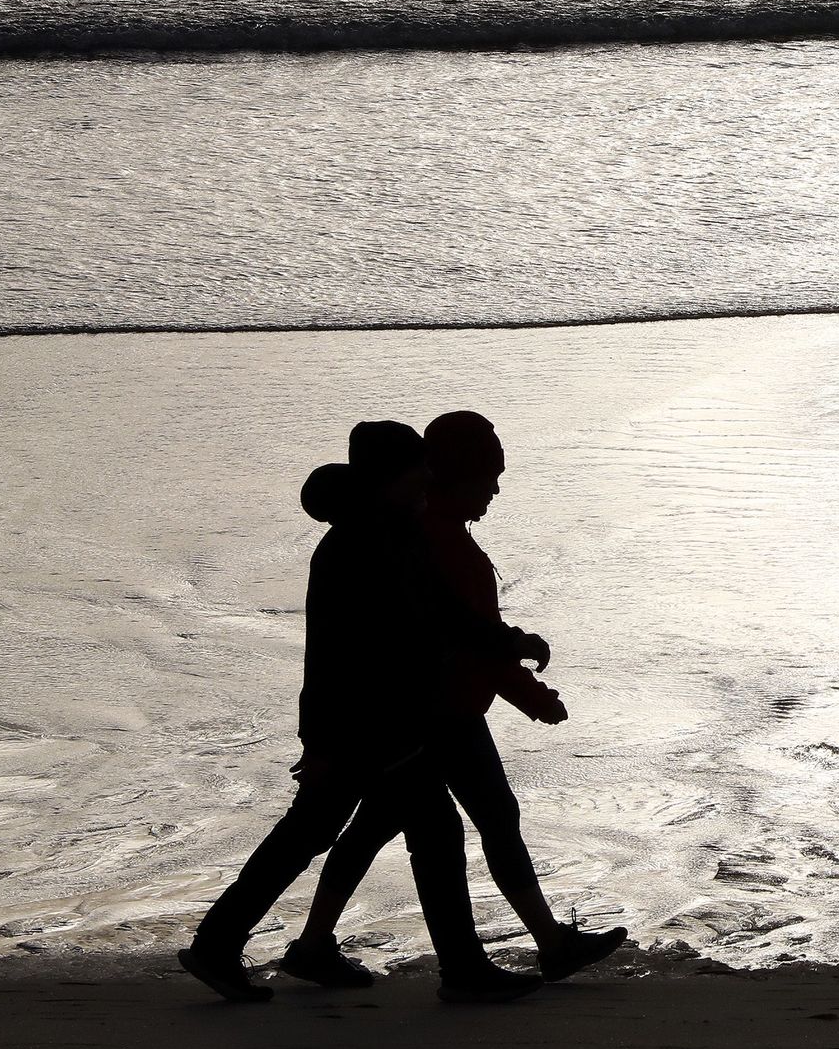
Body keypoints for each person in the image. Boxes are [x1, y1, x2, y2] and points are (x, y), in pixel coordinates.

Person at [178, 421, 549, 1004]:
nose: (429, 476)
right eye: (417, 468)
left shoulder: (378, 534)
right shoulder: (371, 544)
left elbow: (435, 620)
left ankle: (221, 944)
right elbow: (378, 642)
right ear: (391, 477)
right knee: (416, 830)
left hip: (368, 723)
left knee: (322, 831)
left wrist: (512, 643)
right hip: (373, 725)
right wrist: (322, 742)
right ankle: (462, 970)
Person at [286, 411, 626, 986]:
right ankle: (515, 953)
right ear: (452, 477)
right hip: (437, 714)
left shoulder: (433, 533)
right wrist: (532, 694)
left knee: (390, 825)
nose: (495, 490)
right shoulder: (434, 542)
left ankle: (318, 942)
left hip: (444, 710)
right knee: (461, 822)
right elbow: (468, 639)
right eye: (488, 478)